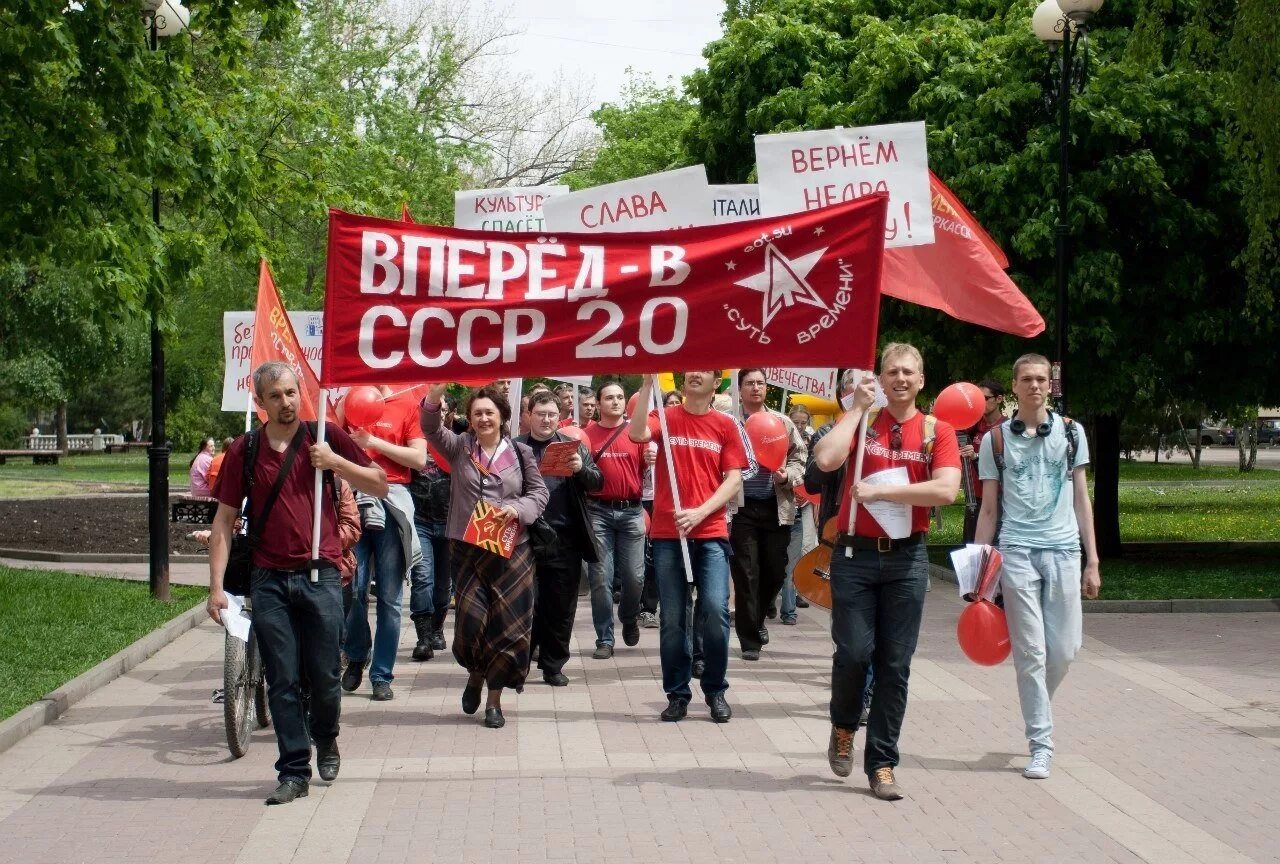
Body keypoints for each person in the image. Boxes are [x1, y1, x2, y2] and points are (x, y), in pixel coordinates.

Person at [207, 361, 388, 805]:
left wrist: (336, 462)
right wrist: (215, 588)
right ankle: (293, 771)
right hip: (269, 580)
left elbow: (380, 485)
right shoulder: (245, 450)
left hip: (320, 575)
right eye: (276, 395)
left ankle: (326, 737)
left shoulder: (323, 436)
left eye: (291, 392)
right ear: (260, 401)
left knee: (325, 677)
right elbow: (224, 522)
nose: (286, 402)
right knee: (283, 681)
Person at [812, 344, 960, 800]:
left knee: (895, 665)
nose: (900, 378)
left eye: (908, 372)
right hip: (854, 558)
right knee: (854, 652)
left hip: (907, 559)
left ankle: (882, 763)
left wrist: (884, 496)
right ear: (879, 377)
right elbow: (826, 460)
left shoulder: (938, 429)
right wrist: (856, 408)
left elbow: (947, 490)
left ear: (921, 380)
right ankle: (842, 727)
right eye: (892, 371)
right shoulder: (865, 421)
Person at [975, 354, 1099, 780]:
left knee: (1064, 651)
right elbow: (988, 511)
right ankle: (1041, 744)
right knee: (1031, 653)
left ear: (1051, 385)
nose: (1034, 386)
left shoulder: (1071, 433)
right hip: (1017, 552)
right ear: (1014, 385)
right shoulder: (994, 441)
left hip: (1064, 551)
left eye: (1041, 379)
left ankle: (1035, 704)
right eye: (1026, 379)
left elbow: (1083, 499)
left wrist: (1093, 560)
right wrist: (979, 572)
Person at [421, 383, 548, 729]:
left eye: (489, 412)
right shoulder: (460, 447)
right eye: (477, 412)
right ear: (470, 418)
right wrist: (434, 396)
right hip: (468, 549)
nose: (483, 418)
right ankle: (475, 673)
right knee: (471, 622)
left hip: (512, 550)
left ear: (503, 416)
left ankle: (494, 700)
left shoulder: (521, 454)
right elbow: (430, 428)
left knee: (509, 629)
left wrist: (515, 508)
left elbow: (538, 494)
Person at [629, 371, 748, 724]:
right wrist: (648, 386)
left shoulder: (725, 425)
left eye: (705, 370)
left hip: (710, 531)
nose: (695, 373)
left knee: (714, 610)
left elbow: (734, 479)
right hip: (668, 533)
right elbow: (636, 434)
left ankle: (715, 690)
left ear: (716, 384)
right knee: (673, 620)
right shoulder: (664, 417)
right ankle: (677, 694)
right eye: (690, 368)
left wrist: (700, 511)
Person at [341, 385, 426, 702]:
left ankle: (381, 675)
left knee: (390, 598)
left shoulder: (408, 403)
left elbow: (419, 458)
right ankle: (356, 653)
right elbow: (327, 442)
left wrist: (372, 443)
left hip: (392, 503)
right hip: (354, 502)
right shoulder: (349, 398)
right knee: (352, 588)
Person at [518, 391, 603, 684]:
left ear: (559, 416)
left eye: (552, 414)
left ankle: (553, 664)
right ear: (529, 415)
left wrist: (581, 470)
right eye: (540, 414)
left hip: (565, 537)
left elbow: (598, 481)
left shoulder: (572, 447)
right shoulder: (515, 447)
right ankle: (520, 661)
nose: (546, 420)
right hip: (525, 537)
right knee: (525, 603)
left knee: (561, 605)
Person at [730, 369, 807, 660]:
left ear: (766, 388)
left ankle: (758, 617)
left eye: (760, 383)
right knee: (746, 573)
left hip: (778, 508)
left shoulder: (783, 422)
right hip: (742, 508)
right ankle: (749, 640)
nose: (755, 388)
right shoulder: (732, 424)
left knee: (775, 571)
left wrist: (788, 476)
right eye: (749, 383)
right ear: (740, 389)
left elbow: (801, 457)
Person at [583, 382, 648, 658]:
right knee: (600, 578)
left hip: (632, 511)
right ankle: (604, 638)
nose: (616, 402)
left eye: (620, 397)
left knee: (635, 577)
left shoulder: (638, 432)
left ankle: (629, 616)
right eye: (609, 397)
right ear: (598, 404)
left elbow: (647, 469)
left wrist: (652, 455)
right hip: (597, 512)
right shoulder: (586, 436)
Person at [407, 439, 453, 661]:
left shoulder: (453, 444)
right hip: (420, 522)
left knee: (444, 583)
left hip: (449, 523)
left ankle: (437, 628)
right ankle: (423, 638)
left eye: (444, 409)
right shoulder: (413, 445)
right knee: (423, 577)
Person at [961, 378, 1006, 544]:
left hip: (998, 501)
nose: (980, 404)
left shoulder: (1006, 429)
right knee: (971, 552)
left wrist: (976, 457)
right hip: (974, 500)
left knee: (993, 552)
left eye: (985, 399)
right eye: (977, 400)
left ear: (999, 399)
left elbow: (1005, 466)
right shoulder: (973, 426)